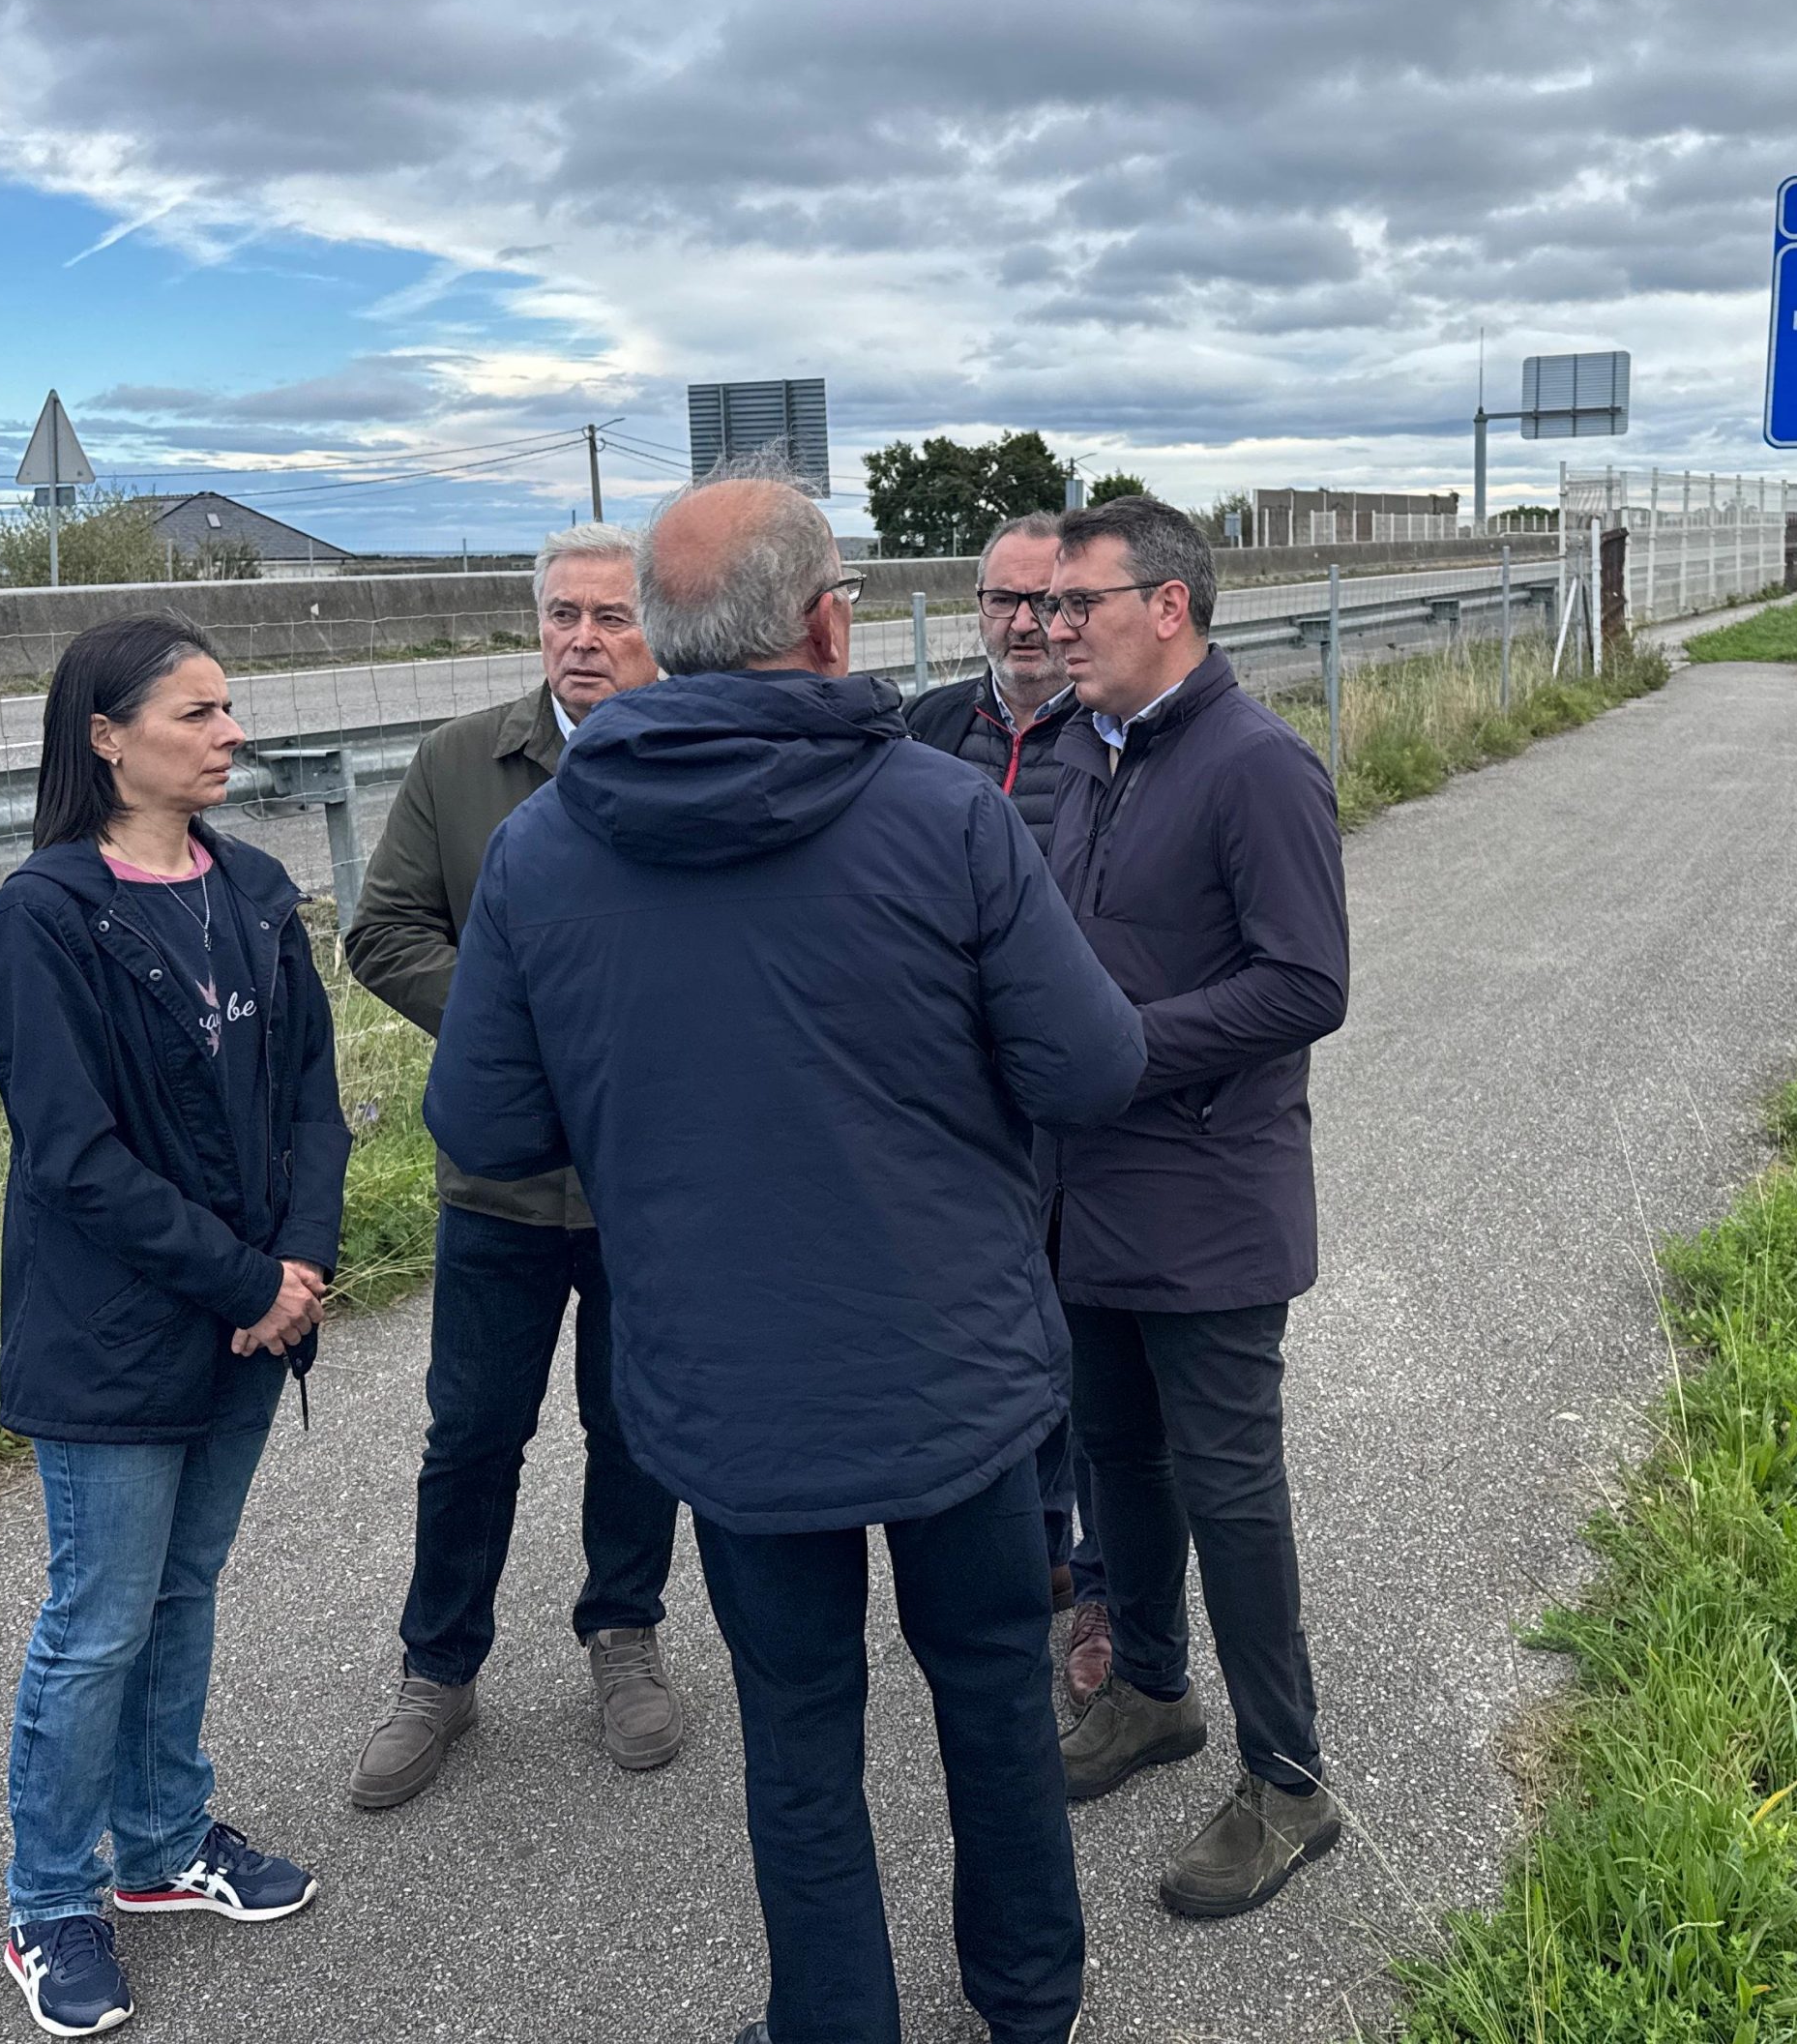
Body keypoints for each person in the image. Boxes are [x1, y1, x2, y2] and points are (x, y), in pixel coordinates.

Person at [424, 468, 1144, 2044]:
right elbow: (1092, 1068)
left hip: (728, 1389)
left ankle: (836, 2021)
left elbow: (482, 1117)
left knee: (799, 1732)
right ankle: (1029, 1999)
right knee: (986, 1694)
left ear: (666, 644)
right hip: (954, 1368)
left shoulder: (550, 849)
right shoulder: (945, 815)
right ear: (828, 623)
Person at [0, 613, 350, 2038]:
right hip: (120, 1337)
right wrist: (245, 1281)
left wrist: (302, 1259)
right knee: (98, 1620)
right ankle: (49, 1901)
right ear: (106, 738)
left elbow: (311, 1095)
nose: (229, 733)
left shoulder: (252, 889)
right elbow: (72, 1155)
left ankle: (163, 1847)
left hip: (253, 1317)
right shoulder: (46, 915)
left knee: (182, 1594)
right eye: (197, 712)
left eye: (228, 708)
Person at [1038, 493, 1351, 1921]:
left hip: (1209, 1201)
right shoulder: (1097, 758)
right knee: (1117, 1458)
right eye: (1046, 607)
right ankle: (1152, 1693)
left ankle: (1288, 1780)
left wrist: (1126, 1047)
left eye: (1080, 605)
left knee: (1230, 1489)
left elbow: (1307, 983)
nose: (1054, 629)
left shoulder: (1256, 765)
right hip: (1088, 1195)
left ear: (1166, 607)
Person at [339, 523, 685, 1811]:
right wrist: (520, 1033)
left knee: (634, 1422)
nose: (582, 640)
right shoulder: (460, 761)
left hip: (645, 1182)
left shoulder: (697, 756)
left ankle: (623, 1633)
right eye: (560, 616)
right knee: (473, 1428)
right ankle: (439, 1668)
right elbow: (382, 932)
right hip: (495, 1178)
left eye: (610, 617)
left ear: (657, 629)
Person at [903, 510, 1110, 1705]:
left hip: (1073, 1097)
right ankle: (1027, 1545)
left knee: (1084, 1337)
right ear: (974, 607)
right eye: (1005, 601)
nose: (1030, 625)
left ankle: (1100, 1583)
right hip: (954, 1108)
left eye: (1054, 603)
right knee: (999, 1327)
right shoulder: (929, 728)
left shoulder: (1112, 732)